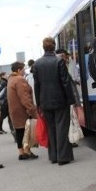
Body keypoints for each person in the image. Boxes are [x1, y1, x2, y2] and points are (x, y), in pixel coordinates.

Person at [33, 37, 76, 166]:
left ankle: (53, 156)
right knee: (62, 127)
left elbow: (37, 85)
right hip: (60, 100)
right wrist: (71, 100)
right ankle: (63, 157)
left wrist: (39, 105)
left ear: (43, 47)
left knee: (51, 128)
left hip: (45, 102)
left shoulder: (37, 64)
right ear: (54, 46)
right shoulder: (59, 61)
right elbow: (65, 82)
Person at [7, 61, 38, 160]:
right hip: (22, 110)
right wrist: (32, 110)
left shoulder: (11, 79)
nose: (25, 70)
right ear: (19, 70)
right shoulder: (20, 79)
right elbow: (24, 97)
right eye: (23, 69)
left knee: (19, 131)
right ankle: (27, 151)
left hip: (14, 109)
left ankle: (21, 152)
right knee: (26, 131)